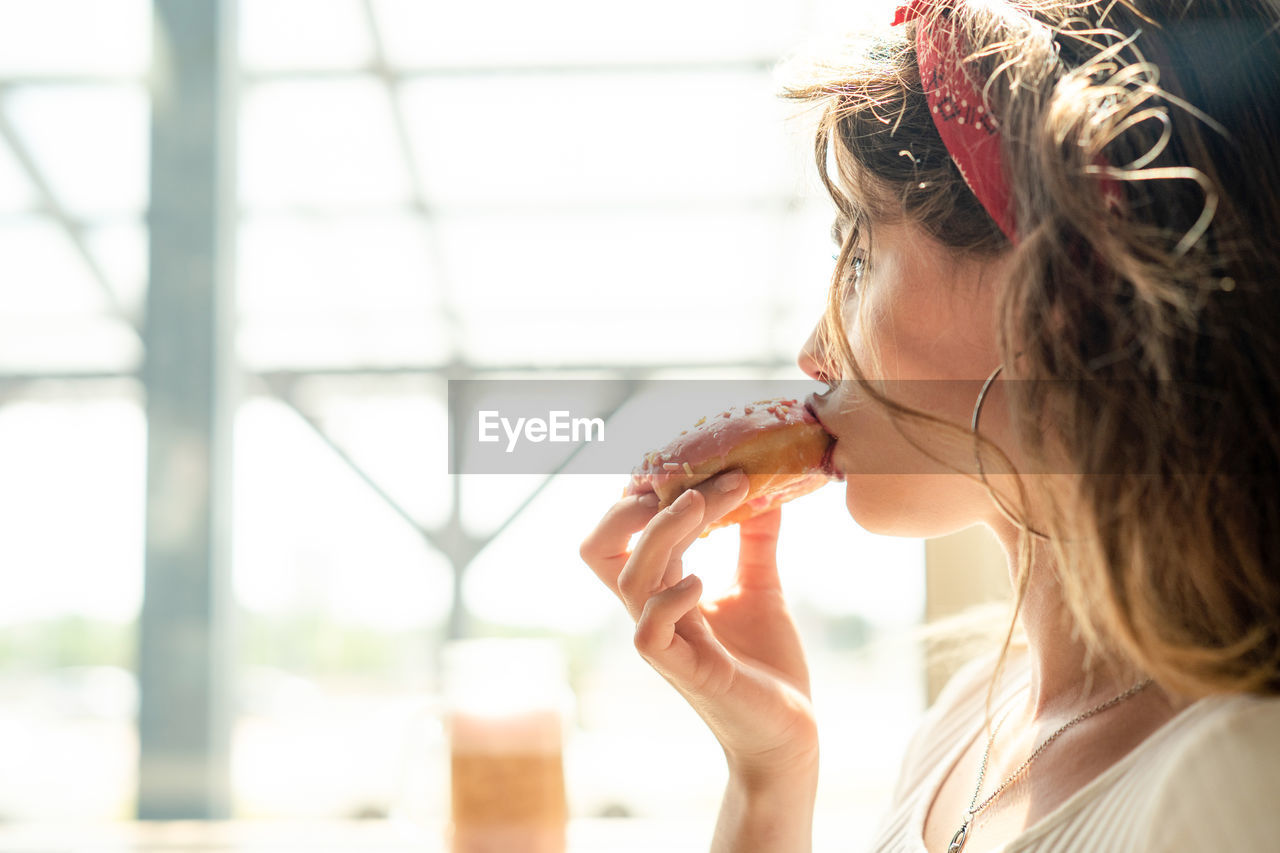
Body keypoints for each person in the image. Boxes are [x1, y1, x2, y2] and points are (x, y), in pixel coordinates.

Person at [580, 0, 1280, 850]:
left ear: (1049, 299)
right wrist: (768, 769)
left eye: (863, 253)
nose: (813, 353)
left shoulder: (1232, 779)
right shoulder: (961, 727)